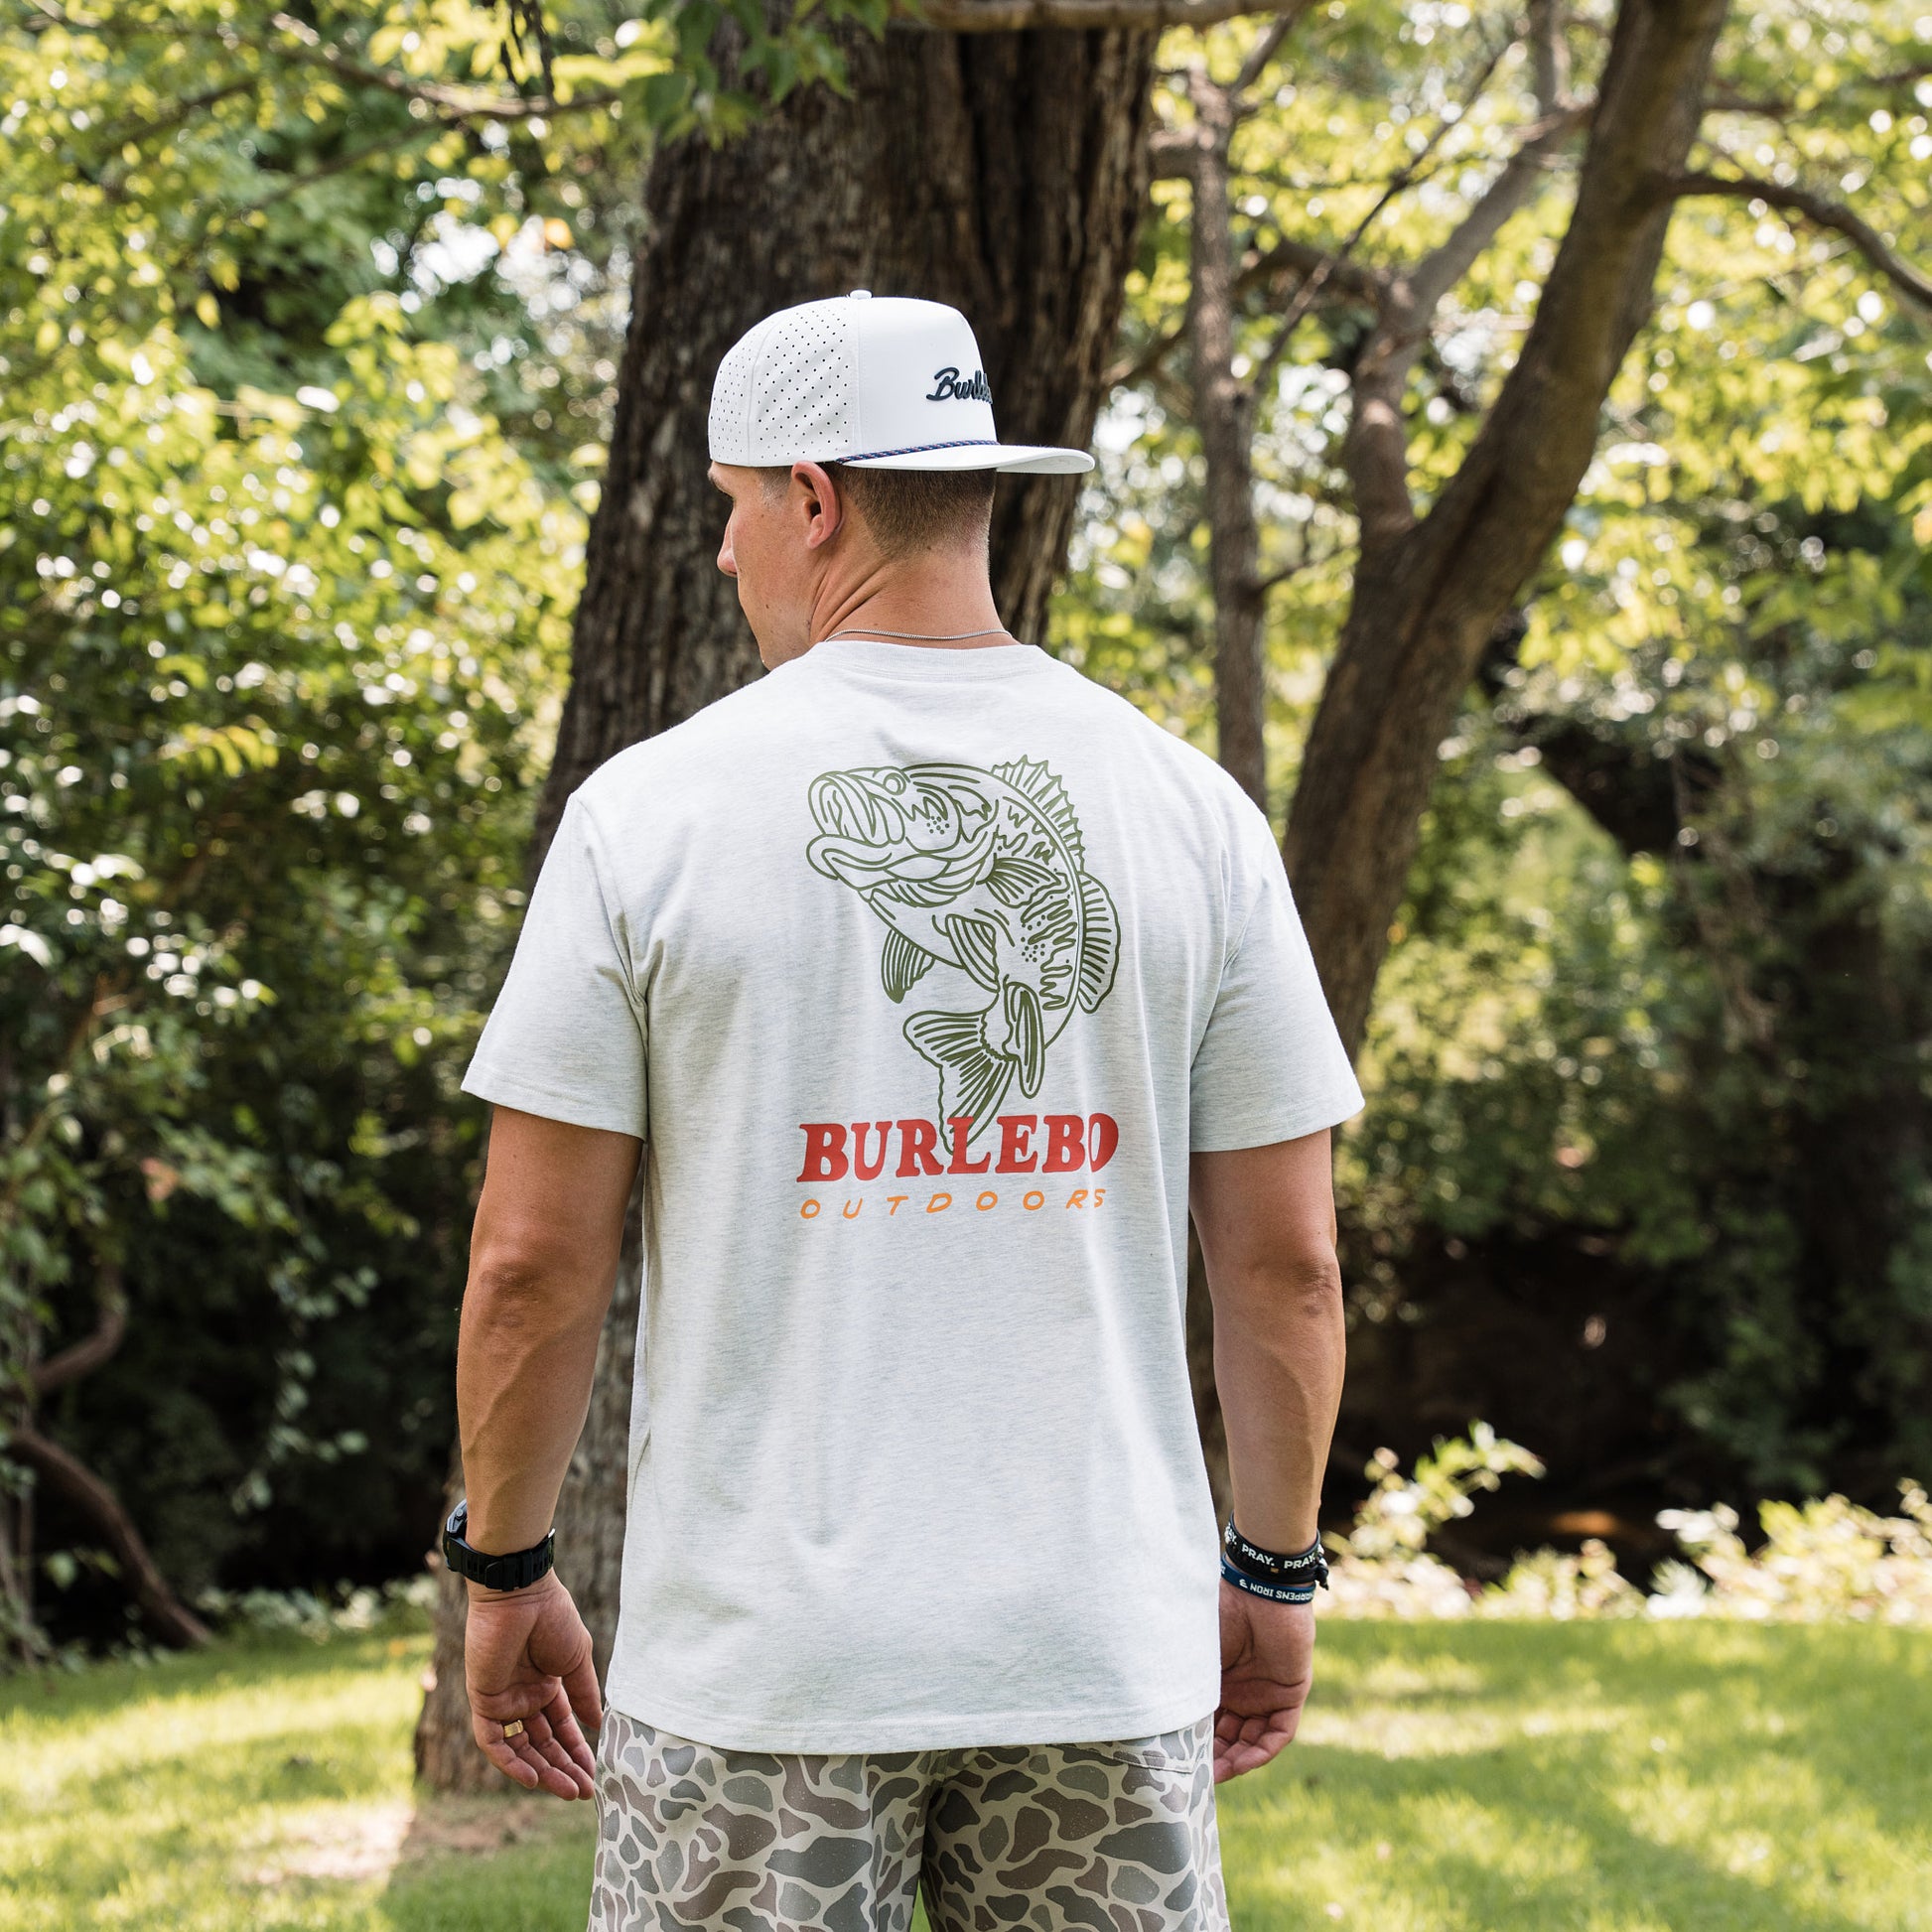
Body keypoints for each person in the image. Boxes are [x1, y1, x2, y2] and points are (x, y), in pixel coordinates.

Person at [448, 291, 1364, 1931]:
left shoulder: (647, 815)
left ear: (813, 497)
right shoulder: (1190, 812)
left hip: (759, 1681)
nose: (725, 557)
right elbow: (1288, 1267)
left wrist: (505, 1566)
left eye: (732, 508)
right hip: (1096, 1656)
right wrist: (1274, 1569)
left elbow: (530, 1262)